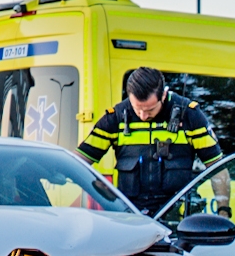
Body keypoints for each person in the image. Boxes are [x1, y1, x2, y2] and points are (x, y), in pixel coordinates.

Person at [78, 67, 224, 208]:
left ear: (164, 95)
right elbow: (80, 159)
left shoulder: (190, 115)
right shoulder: (116, 117)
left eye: (149, 110)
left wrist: (224, 211)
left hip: (177, 219)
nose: (143, 116)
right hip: (132, 217)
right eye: (137, 109)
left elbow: (217, 167)